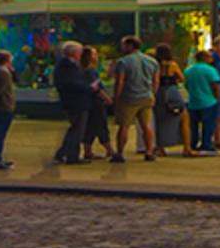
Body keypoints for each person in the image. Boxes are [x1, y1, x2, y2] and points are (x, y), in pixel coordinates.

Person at [108, 35, 158, 163]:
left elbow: (120, 82)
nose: (122, 47)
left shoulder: (123, 62)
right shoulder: (152, 61)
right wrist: (153, 93)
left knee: (124, 126)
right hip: (146, 96)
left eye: (124, 45)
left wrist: (116, 98)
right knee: (146, 125)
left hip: (129, 97)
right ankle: (149, 151)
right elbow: (156, 81)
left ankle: (119, 153)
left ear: (130, 46)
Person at [52, 41, 94, 164]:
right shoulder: (67, 67)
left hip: (75, 101)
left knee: (75, 128)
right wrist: (89, 87)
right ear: (74, 53)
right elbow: (73, 83)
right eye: (79, 52)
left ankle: (63, 153)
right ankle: (71, 156)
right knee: (77, 130)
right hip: (76, 102)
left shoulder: (68, 65)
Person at [182, 48, 220, 155]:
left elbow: (186, 84)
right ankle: (206, 145)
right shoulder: (210, 70)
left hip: (193, 102)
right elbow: (215, 85)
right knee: (208, 125)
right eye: (209, 57)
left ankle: (193, 143)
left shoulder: (188, 70)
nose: (212, 59)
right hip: (209, 101)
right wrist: (217, 97)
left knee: (193, 125)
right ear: (205, 58)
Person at [79, 45, 114, 160]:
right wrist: (106, 98)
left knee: (91, 126)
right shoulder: (90, 71)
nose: (97, 56)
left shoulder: (86, 70)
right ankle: (109, 149)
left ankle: (88, 150)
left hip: (88, 102)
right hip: (95, 102)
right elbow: (95, 88)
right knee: (100, 124)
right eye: (94, 54)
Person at [154, 57, 189, 155]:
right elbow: (182, 78)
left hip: (159, 93)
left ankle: (160, 148)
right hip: (172, 92)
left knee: (159, 121)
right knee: (184, 118)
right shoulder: (172, 65)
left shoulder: (154, 65)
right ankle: (187, 147)